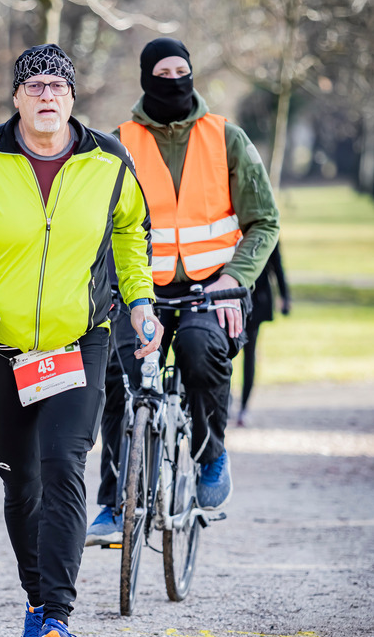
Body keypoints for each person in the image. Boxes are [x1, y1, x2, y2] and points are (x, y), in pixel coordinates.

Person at [0, 43, 163, 637]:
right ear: (19, 98)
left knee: (62, 465)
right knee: (19, 479)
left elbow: (132, 232)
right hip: (1, 347)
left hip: (79, 341)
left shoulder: (108, 159)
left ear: (73, 96)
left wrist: (139, 302)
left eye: (58, 84)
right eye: (35, 86)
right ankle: (36, 601)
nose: (47, 95)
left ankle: (57, 618)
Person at [87, 37, 280, 546]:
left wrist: (234, 279)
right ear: (146, 79)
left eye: (182, 70)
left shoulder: (226, 138)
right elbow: (93, 224)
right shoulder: (118, 142)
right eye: (163, 71)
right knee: (121, 378)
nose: (174, 79)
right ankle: (113, 501)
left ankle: (211, 454)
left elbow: (264, 222)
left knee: (199, 353)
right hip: (140, 292)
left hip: (208, 290)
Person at [237, 242, 291, 427]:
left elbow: (276, 264)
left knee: (249, 353)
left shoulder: (265, 225)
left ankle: (243, 406)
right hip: (232, 294)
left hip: (256, 298)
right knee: (223, 352)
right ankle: (226, 402)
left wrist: (285, 297)